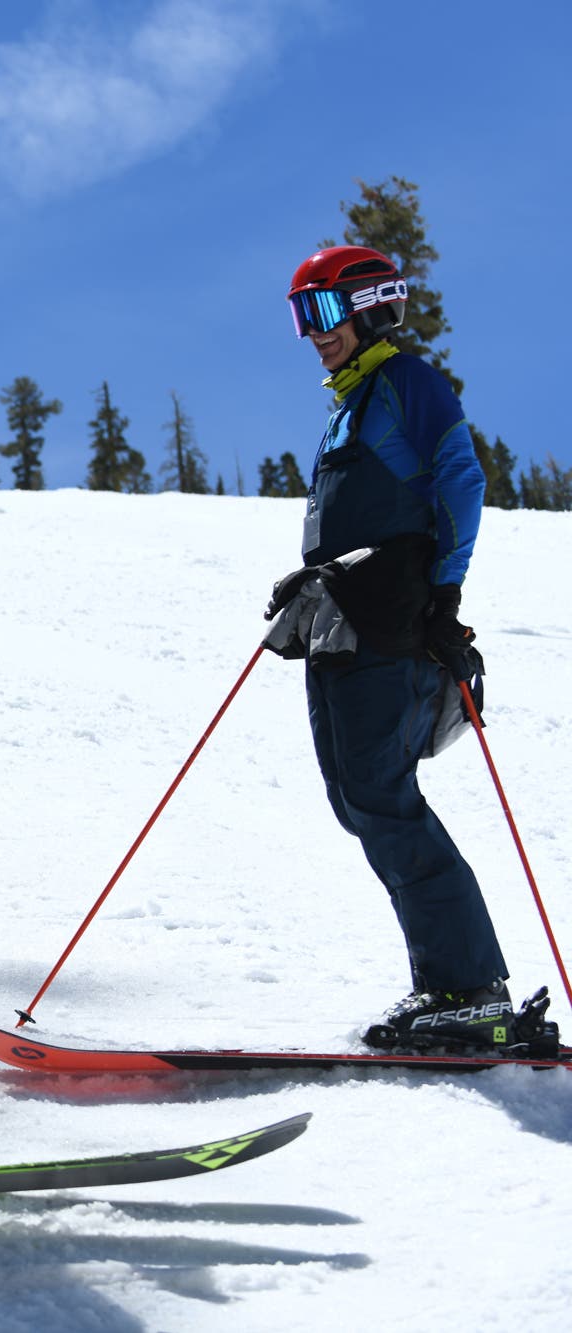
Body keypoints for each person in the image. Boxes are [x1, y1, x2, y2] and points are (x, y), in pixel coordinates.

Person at [267, 244, 538, 1052]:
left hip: (392, 623)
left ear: (370, 305)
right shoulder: (349, 405)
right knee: (357, 798)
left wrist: (443, 597)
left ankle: (471, 988)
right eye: (300, 316)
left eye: (321, 311)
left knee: (381, 795)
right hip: (343, 623)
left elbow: (461, 480)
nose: (312, 333)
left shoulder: (405, 383)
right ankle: (452, 983)